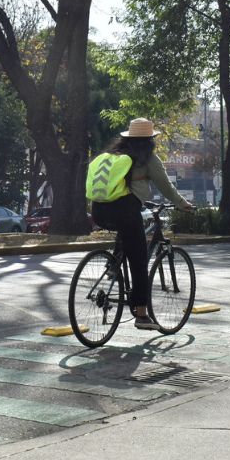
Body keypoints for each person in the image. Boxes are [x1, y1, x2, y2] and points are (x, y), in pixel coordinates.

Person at [89, 118, 195, 330]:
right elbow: (166, 187)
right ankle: (141, 314)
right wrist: (183, 205)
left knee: (127, 237)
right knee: (139, 262)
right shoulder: (148, 160)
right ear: (150, 140)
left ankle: (113, 266)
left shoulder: (112, 156)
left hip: (98, 210)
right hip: (125, 210)